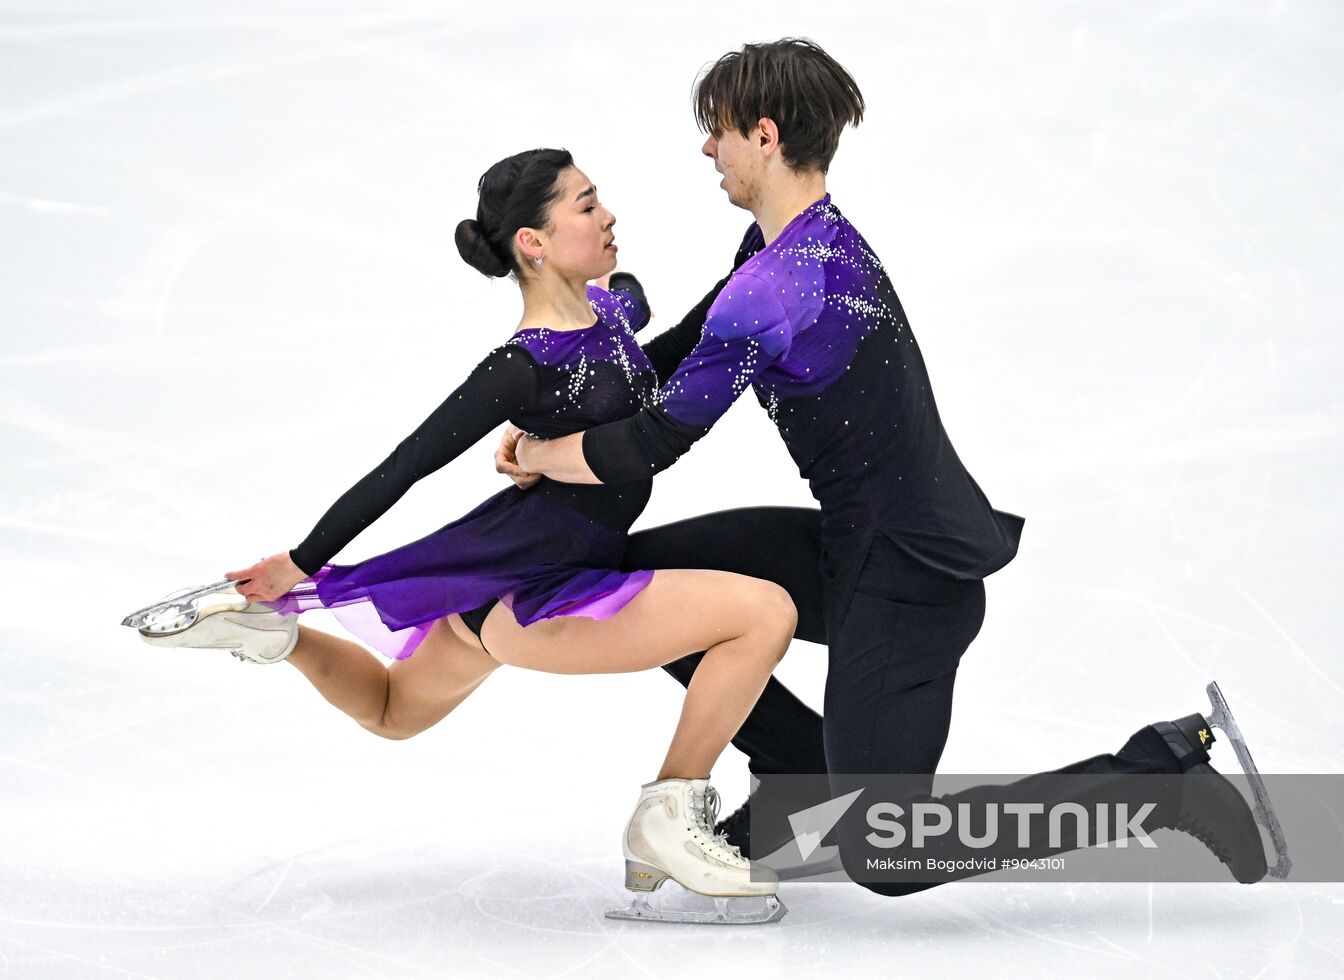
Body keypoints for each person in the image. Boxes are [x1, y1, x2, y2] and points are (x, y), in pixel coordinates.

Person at [503, 39, 1279, 894]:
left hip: (910, 574)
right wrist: (556, 398)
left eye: (717, 131)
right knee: (640, 584)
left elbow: (653, 439)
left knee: (888, 852)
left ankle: (1156, 778)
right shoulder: (779, 253)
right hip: (858, 540)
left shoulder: (784, 286)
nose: (706, 149)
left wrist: (541, 454)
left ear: (764, 136)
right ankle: (799, 777)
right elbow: (674, 353)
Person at [127, 148, 796, 922]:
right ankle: (668, 822)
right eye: (585, 205)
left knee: (391, 712)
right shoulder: (521, 367)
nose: (607, 215)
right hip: (542, 593)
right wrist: (301, 563)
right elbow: (407, 462)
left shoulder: (609, 314)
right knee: (764, 613)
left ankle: (278, 639)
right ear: (532, 243)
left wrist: (761, 258)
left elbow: (654, 338)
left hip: (499, 580)